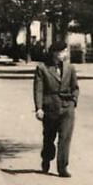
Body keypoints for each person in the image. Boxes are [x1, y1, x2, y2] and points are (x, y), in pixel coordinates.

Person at [33, 40, 79, 177]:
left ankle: (62, 167)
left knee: (65, 138)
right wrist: (39, 108)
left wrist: (73, 101)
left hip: (67, 108)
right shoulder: (42, 68)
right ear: (53, 53)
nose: (64, 54)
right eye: (61, 51)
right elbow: (38, 90)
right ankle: (46, 158)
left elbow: (75, 87)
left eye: (65, 51)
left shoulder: (70, 68)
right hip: (50, 108)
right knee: (49, 138)